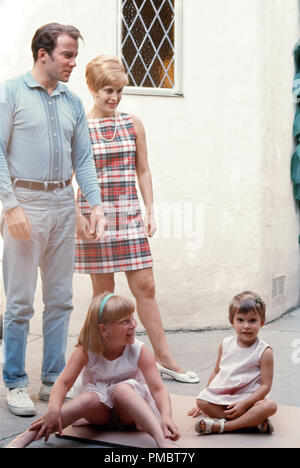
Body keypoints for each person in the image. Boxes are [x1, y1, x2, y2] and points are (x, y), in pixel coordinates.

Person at [0, 23, 107, 417]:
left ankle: (53, 381)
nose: (73, 63)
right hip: (25, 202)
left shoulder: (73, 102)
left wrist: (94, 205)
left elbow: (84, 159)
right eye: (67, 55)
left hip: (64, 204)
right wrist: (10, 206)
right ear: (43, 54)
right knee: (20, 301)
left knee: (60, 300)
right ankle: (14, 381)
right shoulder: (10, 92)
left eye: (74, 55)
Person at [75, 55, 199, 384]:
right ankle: (99, 363)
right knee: (104, 297)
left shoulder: (133, 123)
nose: (114, 97)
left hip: (128, 213)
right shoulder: (80, 127)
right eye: (106, 91)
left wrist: (150, 210)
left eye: (118, 90)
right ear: (91, 88)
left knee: (146, 286)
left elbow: (142, 169)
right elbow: (72, 176)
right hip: (95, 217)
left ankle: (164, 358)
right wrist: (80, 219)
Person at [5, 293, 180, 449]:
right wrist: (53, 410)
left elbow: (158, 389)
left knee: (122, 390)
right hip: (100, 414)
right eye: (125, 322)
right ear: (104, 329)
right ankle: (24, 438)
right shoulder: (86, 350)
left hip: (130, 415)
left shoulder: (138, 350)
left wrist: (166, 417)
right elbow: (64, 382)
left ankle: (160, 440)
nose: (133, 325)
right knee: (87, 398)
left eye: (132, 318)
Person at [188, 291, 277, 434]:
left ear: (262, 321)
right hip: (226, 397)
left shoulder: (264, 351)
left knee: (270, 406)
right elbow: (216, 371)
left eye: (252, 320)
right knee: (201, 401)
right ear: (231, 321)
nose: (246, 326)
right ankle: (251, 422)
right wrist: (207, 394)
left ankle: (224, 426)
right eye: (240, 320)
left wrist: (244, 404)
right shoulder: (225, 344)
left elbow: (266, 386)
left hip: (250, 399)